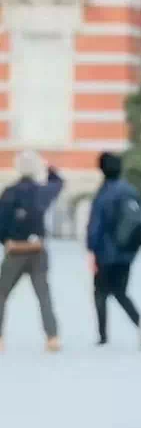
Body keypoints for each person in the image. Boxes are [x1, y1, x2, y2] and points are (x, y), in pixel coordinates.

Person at [0, 150, 64, 353]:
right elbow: (58, 183)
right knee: (43, 295)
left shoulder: (9, 193)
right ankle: (52, 337)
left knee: (1, 294)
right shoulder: (42, 191)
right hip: (38, 250)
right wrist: (50, 169)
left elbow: (1, 221)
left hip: (15, 250)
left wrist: (6, 241)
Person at [86, 152, 141, 349]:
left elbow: (96, 224)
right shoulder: (130, 190)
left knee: (100, 293)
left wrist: (91, 247)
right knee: (120, 292)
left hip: (106, 252)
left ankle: (103, 336)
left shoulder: (104, 193)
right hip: (127, 252)